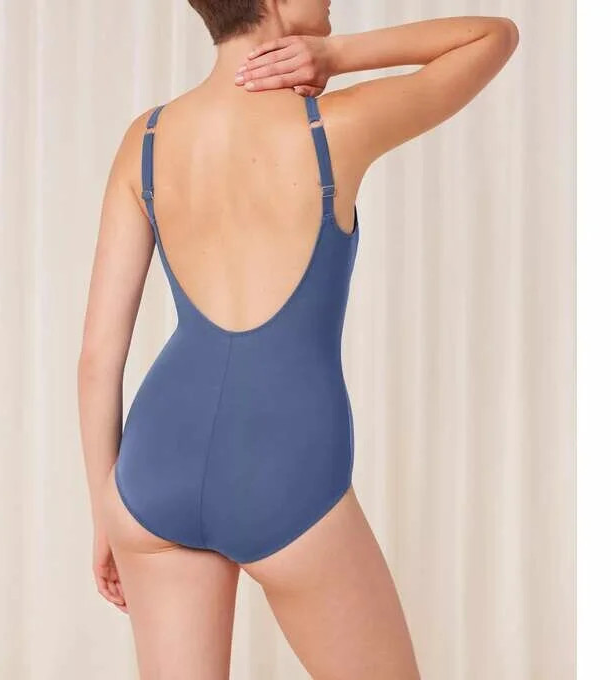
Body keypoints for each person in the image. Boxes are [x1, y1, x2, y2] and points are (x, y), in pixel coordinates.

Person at [77, 2, 519, 678]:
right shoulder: (332, 127)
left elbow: (97, 360)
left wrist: (106, 511)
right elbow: (493, 36)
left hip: (154, 466)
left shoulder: (146, 139)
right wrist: (338, 57)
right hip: (282, 466)